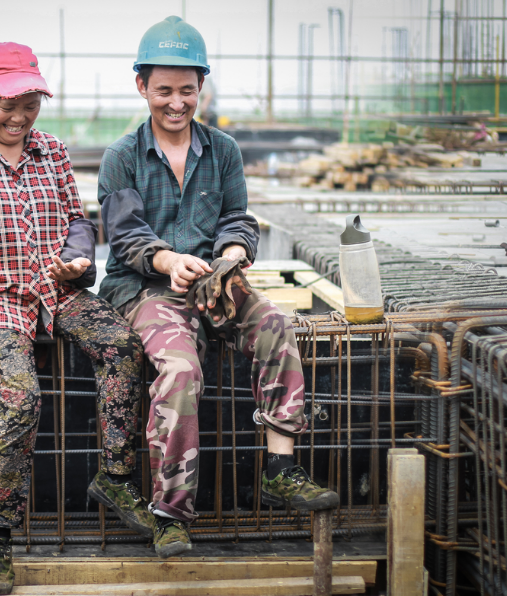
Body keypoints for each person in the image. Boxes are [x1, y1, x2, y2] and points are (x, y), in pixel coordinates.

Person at [0, 42, 148, 596]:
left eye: (30, 105)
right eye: (7, 105)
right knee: (22, 398)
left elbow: (75, 219)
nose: (18, 118)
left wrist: (80, 258)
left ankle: (114, 477)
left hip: (52, 289)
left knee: (122, 346)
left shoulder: (52, 152)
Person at [97, 16, 339, 559]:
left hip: (214, 281)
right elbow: (125, 234)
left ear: (200, 86)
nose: (176, 102)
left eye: (187, 90)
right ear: (142, 86)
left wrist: (229, 259)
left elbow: (237, 219)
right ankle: (171, 513)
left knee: (275, 323)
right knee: (181, 366)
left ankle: (281, 468)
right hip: (146, 289)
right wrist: (166, 260)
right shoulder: (122, 157)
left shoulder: (223, 151)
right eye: (164, 90)